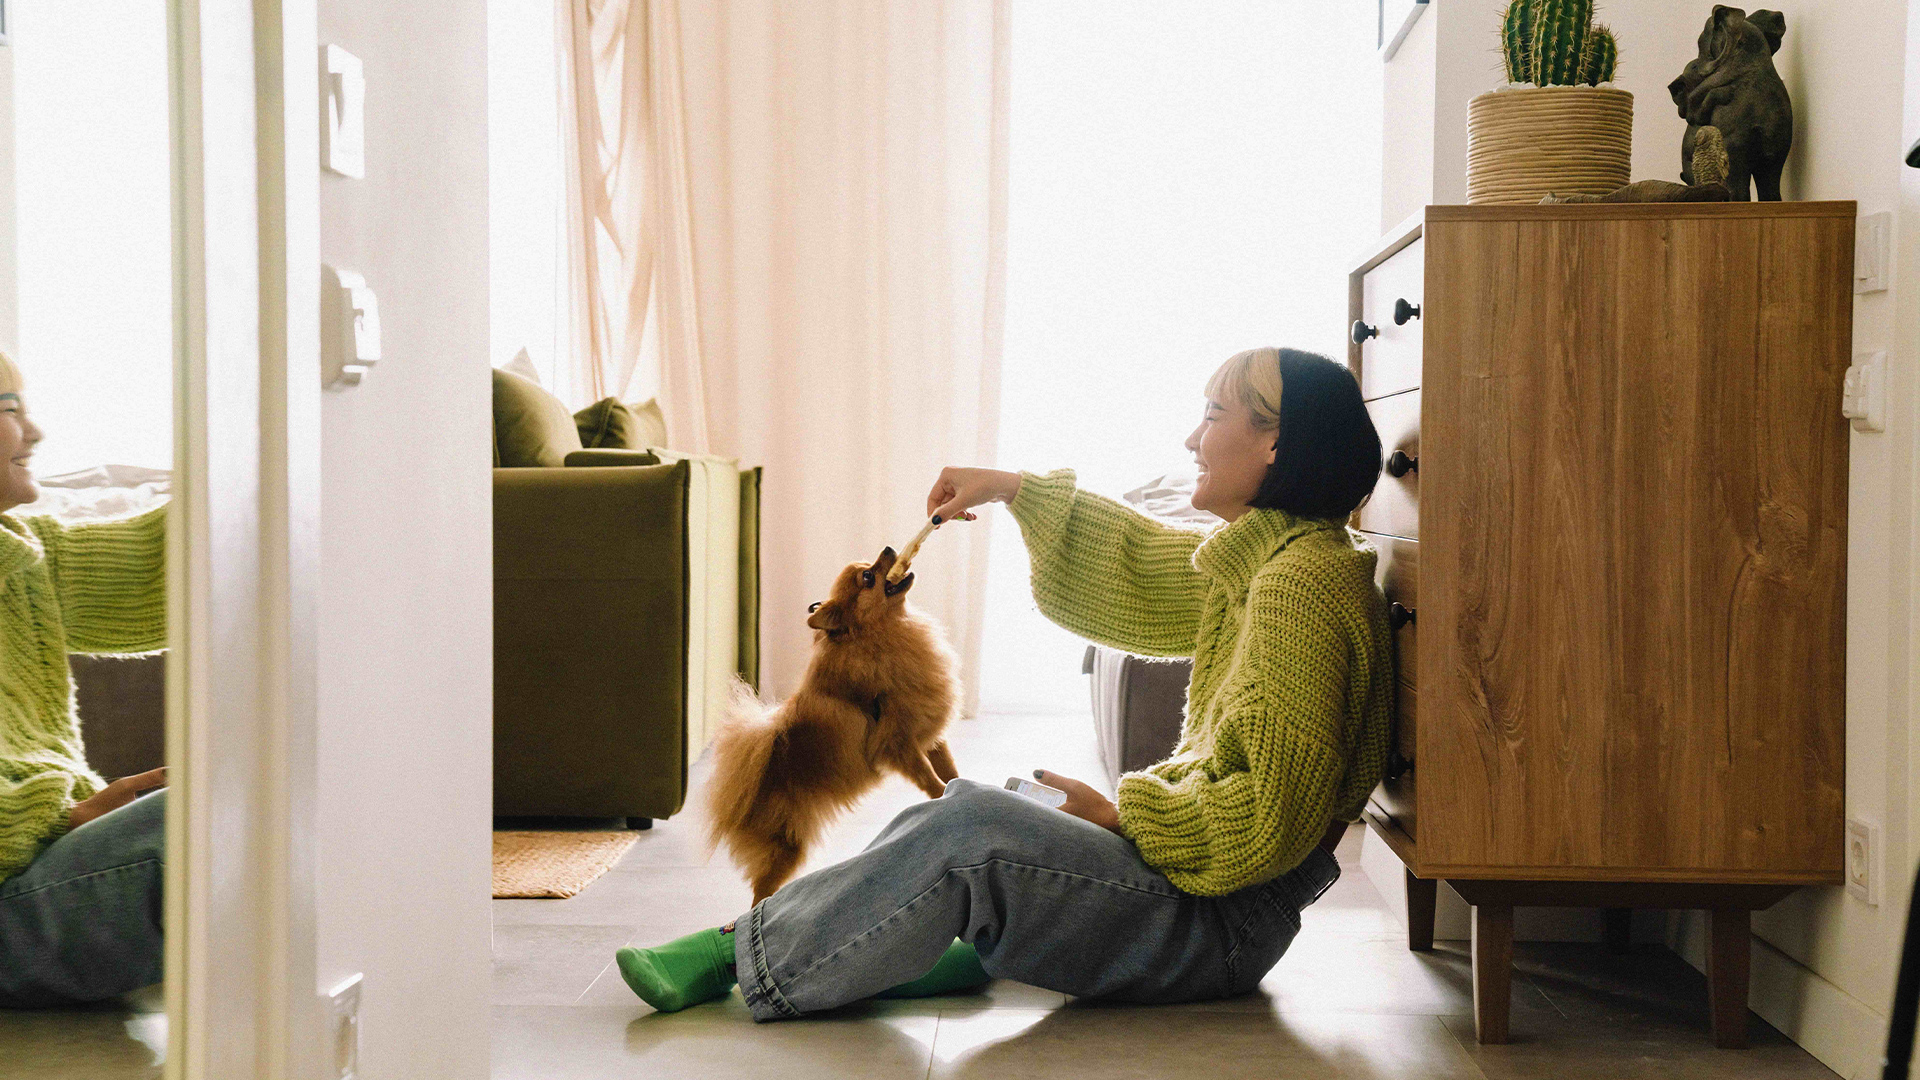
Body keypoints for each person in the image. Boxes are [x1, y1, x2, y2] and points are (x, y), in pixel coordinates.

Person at [617, 346, 1393, 1020]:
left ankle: (741, 955)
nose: (1192, 437)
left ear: (1274, 442)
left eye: (1214, 413)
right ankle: (911, 948)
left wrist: (1122, 815)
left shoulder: (1301, 588)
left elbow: (1269, 821)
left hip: (1220, 928)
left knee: (969, 830)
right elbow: (1140, 566)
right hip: (1203, 900)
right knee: (971, 803)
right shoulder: (1269, 564)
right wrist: (1012, 487)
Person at [0, 352, 170, 1006]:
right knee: (203, 820)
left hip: (37, 870)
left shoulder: (21, 552)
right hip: (13, 898)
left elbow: (177, 563)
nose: (36, 432)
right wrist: (62, 816)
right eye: (13, 409)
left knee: (254, 791)